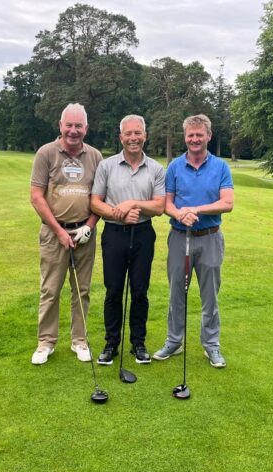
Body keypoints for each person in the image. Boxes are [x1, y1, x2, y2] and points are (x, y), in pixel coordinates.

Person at [153, 114, 234, 368]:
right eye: (191, 135)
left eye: (199, 134)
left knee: (210, 295)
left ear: (208, 136)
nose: (195, 139)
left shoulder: (221, 167)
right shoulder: (175, 167)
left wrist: (195, 210)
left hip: (210, 237)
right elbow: (167, 203)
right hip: (180, 237)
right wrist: (179, 214)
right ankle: (174, 341)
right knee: (177, 292)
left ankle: (211, 344)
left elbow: (227, 203)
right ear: (185, 137)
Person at [29, 103, 102, 365]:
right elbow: (36, 197)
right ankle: (46, 342)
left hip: (84, 232)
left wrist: (89, 226)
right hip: (53, 232)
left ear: (86, 128)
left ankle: (79, 341)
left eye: (78, 126)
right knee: (50, 289)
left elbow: (100, 197)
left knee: (82, 290)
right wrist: (60, 232)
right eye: (69, 125)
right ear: (60, 126)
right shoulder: (46, 153)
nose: (73, 130)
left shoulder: (95, 156)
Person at [90, 114, 165, 365]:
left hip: (143, 234)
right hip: (114, 234)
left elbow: (159, 206)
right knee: (113, 290)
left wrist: (133, 204)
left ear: (145, 135)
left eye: (138, 133)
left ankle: (138, 343)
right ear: (121, 137)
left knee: (140, 291)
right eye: (128, 133)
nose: (133, 138)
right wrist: (117, 213)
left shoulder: (155, 168)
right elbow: (95, 202)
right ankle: (111, 343)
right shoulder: (107, 166)